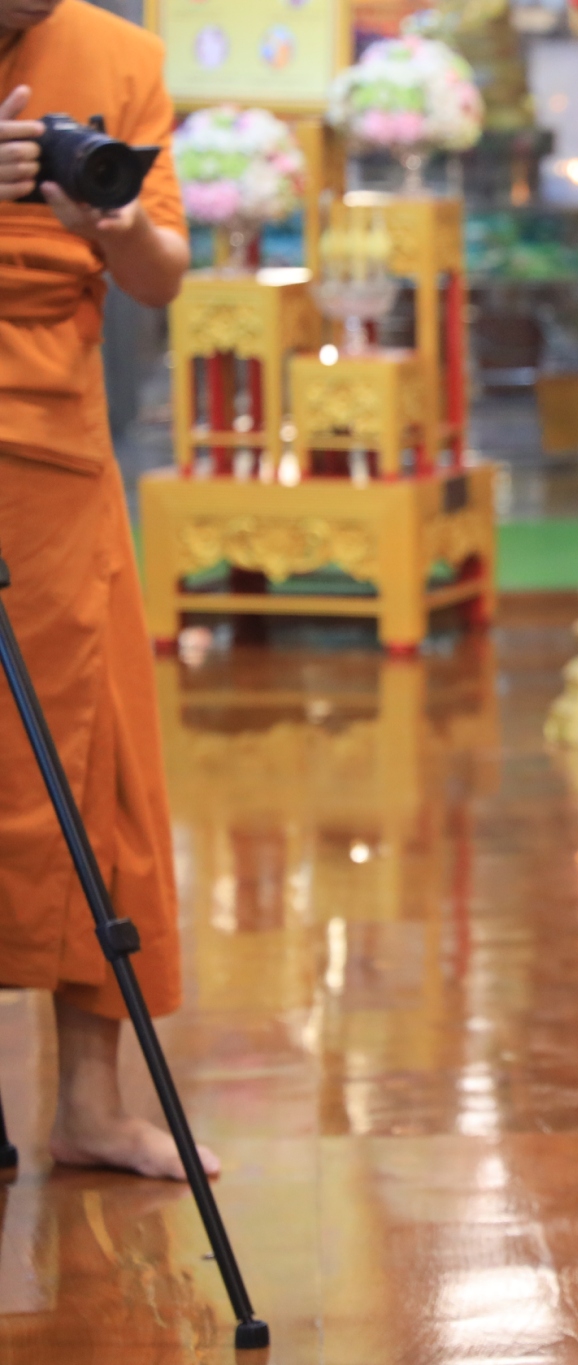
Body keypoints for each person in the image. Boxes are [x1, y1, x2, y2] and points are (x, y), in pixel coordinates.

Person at [0, 0, 210, 1179]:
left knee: (94, 763)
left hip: (57, 452)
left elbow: (163, 274)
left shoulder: (121, 56)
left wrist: (111, 219)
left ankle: (87, 1102)